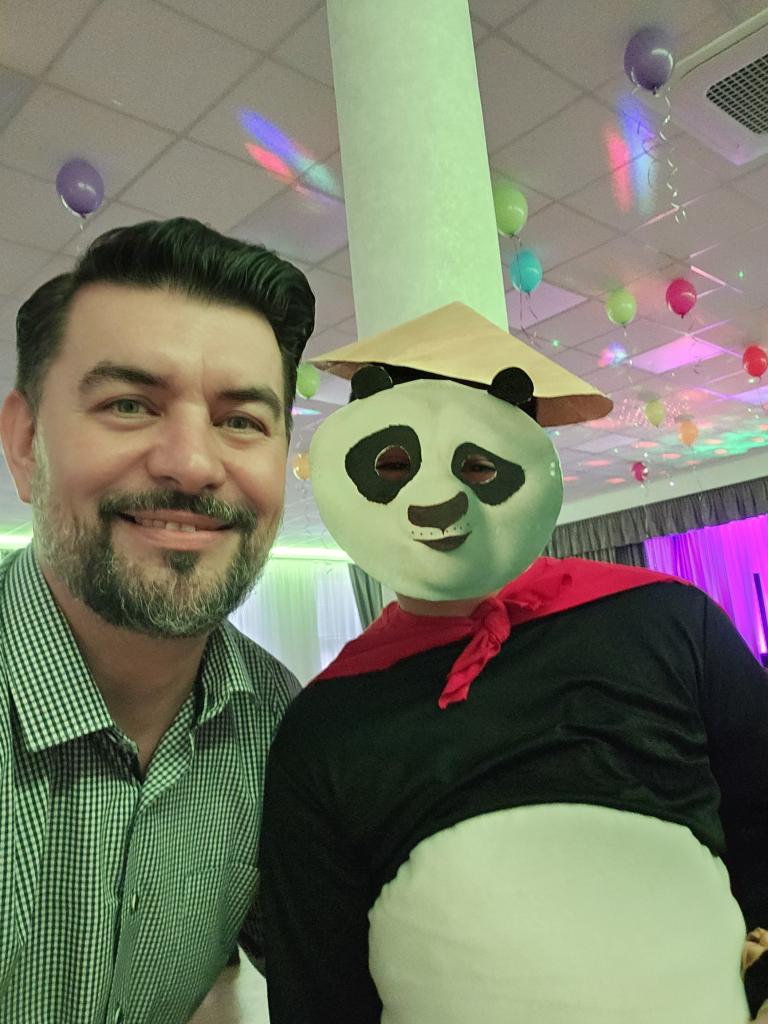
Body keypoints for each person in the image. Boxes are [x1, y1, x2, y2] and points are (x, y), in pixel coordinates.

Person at [259, 302, 768, 1024]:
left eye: (476, 463)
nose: (438, 498)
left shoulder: (667, 620)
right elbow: (318, 982)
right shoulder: (327, 721)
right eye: (396, 465)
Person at [0, 217, 315, 1023]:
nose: (193, 463)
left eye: (242, 420)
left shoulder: (284, 729)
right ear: (26, 443)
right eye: (130, 404)